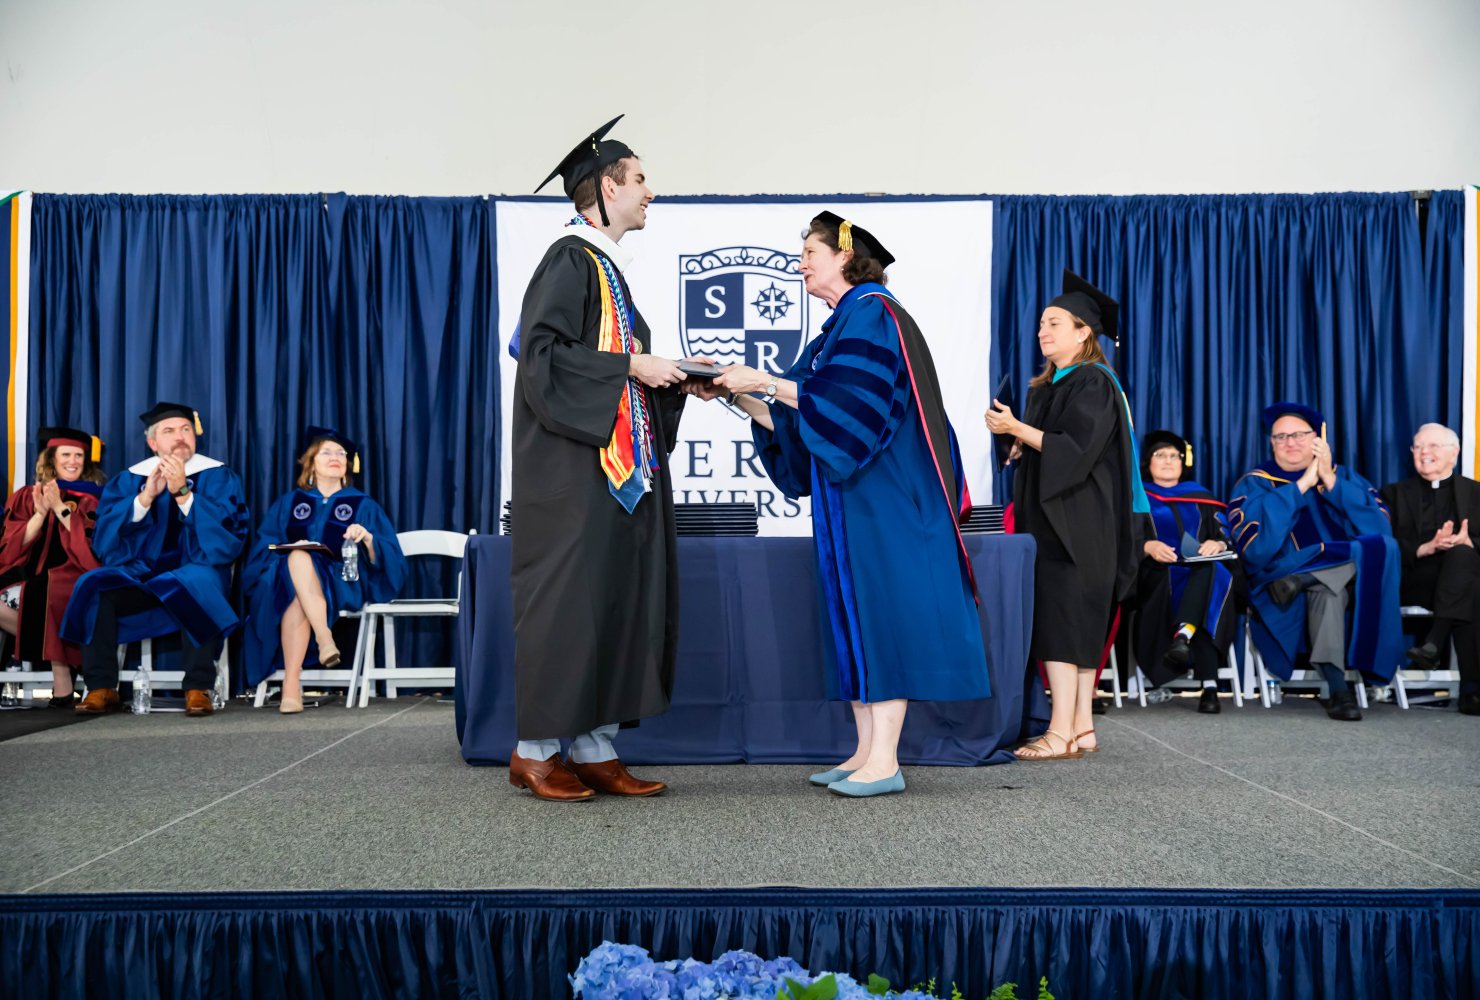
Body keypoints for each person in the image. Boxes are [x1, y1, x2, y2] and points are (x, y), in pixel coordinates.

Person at [713, 212, 989, 798]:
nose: (800, 260)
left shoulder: (873, 312)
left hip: (885, 499)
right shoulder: (842, 324)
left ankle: (884, 761)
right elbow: (806, 416)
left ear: (846, 255)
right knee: (858, 620)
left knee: (882, 618)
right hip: (855, 500)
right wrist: (742, 395)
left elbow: (846, 411)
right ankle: (865, 750)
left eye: (810, 249)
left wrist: (763, 383)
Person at [509, 115, 697, 801]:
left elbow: (606, 364)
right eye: (640, 179)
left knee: (611, 603)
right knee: (569, 607)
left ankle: (592, 747)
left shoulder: (603, 268)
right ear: (606, 187)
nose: (650, 192)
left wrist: (672, 377)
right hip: (571, 471)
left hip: (611, 471)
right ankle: (533, 752)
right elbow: (543, 359)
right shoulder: (569, 259)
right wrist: (631, 365)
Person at [984, 271, 1147, 759]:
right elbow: (1049, 448)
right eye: (1040, 324)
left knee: (1063, 623)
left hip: (1078, 524)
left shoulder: (1094, 382)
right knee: (1074, 625)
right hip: (1057, 520)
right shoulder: (1048, 386)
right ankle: (1079, 727)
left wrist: (1018, 428)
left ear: (1084, 333)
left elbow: (1076, 451)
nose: (1043, 330)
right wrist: (1015, 445)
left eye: (1055, 322)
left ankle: (1057, 732)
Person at [61, 402, 250, 717]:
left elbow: (229, 537)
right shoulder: (130, 480)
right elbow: (106, 541)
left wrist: (183, 495)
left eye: (186, 429)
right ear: (152, 443)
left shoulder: (218, 476)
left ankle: (197, 687)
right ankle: (101, 687)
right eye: (169, 431)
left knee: (195, 580)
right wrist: (144, 498)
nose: (180, 437)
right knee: (93, 584)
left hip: (196, 570)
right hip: (141, 575)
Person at [1227, 402, 1403, 721]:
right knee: (1331, 587)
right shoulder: (1254, 483)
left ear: (1317, 440)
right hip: (1282, 576)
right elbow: (1255, 550)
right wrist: (1301, 487)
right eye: (1281, 437)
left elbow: (1380, 532)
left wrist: (1330, 482)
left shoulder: (1346, 478)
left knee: (1381, 549)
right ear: (1271, 442)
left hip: (1331, 583)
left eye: (1299, 435)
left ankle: (1337, 689)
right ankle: (1338, 689)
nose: (1290, 442)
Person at [242, 427, 406, 713]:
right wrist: (291, 548)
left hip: (342, 580)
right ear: (311, 461)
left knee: (298, 564)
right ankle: (322, 640)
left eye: (341, 453)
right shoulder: (290, 503)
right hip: (286, 581)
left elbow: (390, 554)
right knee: (297, 562)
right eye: (326, 452)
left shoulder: (362, 505)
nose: (336, 457)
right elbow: (262, 548)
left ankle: (292, 684)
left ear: (348, 464)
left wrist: (367, 538)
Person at [0, 426, 107, 707]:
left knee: (48, 590)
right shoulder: (27, 494)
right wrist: (39, 513)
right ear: (51, 459)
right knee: (34, 589)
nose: (73, 461)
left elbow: (90, 550)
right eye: (66, 455)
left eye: (79, 455)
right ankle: (72, 658)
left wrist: (60, 507)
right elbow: (13, 544)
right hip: (25, 571)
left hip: (73, 571)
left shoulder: (92, 498)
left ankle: (62, 682)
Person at [1131, 430, 1235, 714]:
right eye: (1160, 455)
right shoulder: (1138, 498)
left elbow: (1225, 533)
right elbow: (1121, 538)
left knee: (1210, 572)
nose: (1168, 461)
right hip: (1155, 573)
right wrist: (1147, 546)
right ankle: (1209, 685)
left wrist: (1218, 542)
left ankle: (1182, 638)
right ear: (1148, 462)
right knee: (1208, 582)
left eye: (1174, 456)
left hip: (1198, 570)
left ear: (1183, 461)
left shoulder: (1202, 497)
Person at [1380, 423, 1480, 715]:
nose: (1425, 452)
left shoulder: (1476, 493)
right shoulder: (1393, 494)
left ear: (1454, 453)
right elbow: (1382, 542)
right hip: (1415, 578)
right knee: (1471, 586)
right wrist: (1426, 548)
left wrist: (1469, 542)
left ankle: (1434, 641)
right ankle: (1472, 690)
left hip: (1461, 577)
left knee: (1464, 561)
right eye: (1418, 446)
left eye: (1433, 446)